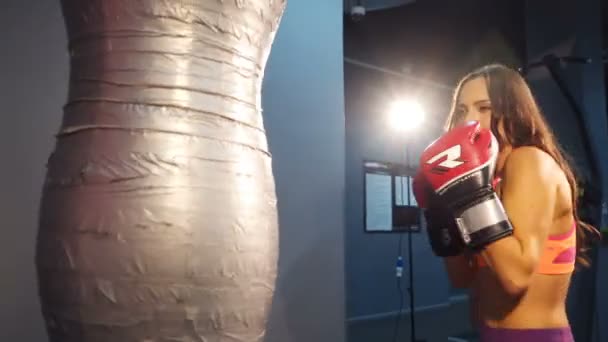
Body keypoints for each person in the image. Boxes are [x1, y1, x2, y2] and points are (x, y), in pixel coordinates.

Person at [413, 63, 600, 342]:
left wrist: (469, 196)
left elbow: (515, 279)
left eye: (484, 108)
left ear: (513, 110)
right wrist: (440, 216)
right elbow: (462, 278)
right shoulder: (491, 181)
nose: (469, 120)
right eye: (462, 110)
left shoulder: (529, 161)